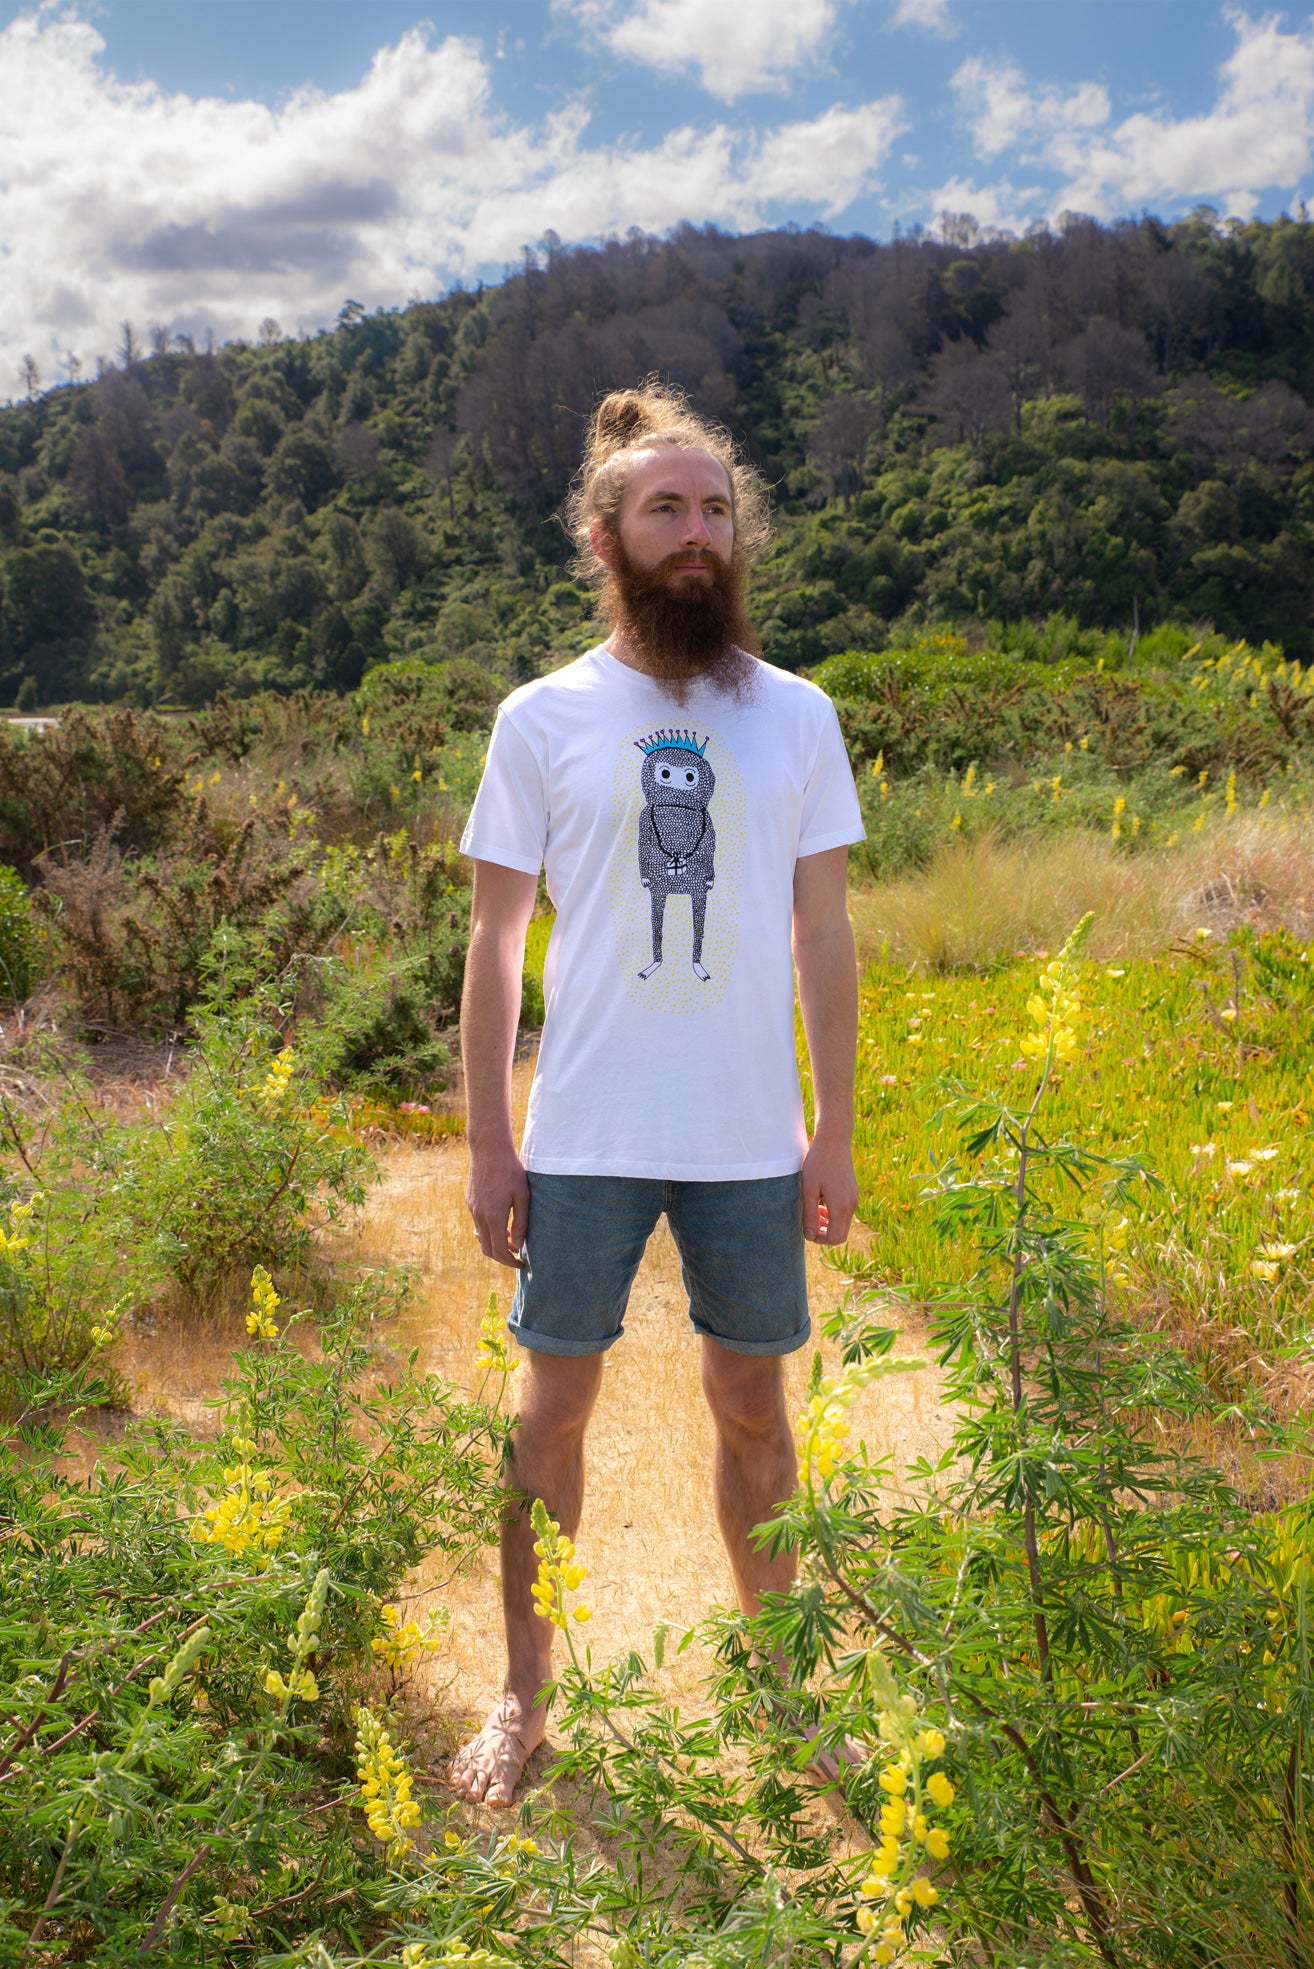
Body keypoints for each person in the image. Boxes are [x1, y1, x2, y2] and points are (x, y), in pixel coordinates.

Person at [449, 383, 865, 1807]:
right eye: (665, 509)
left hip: (749, 1139)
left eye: (716, 510)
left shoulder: (798, 715)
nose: (696, 532)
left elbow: (823, 933)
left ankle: (784, 1695)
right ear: (605, 536)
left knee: (753, 1407)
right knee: (550, 1411)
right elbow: (494, 941)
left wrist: (834, 1128)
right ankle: (523, 1698)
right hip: (585, 1135)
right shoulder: (543, 717)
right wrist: (490, 1141)